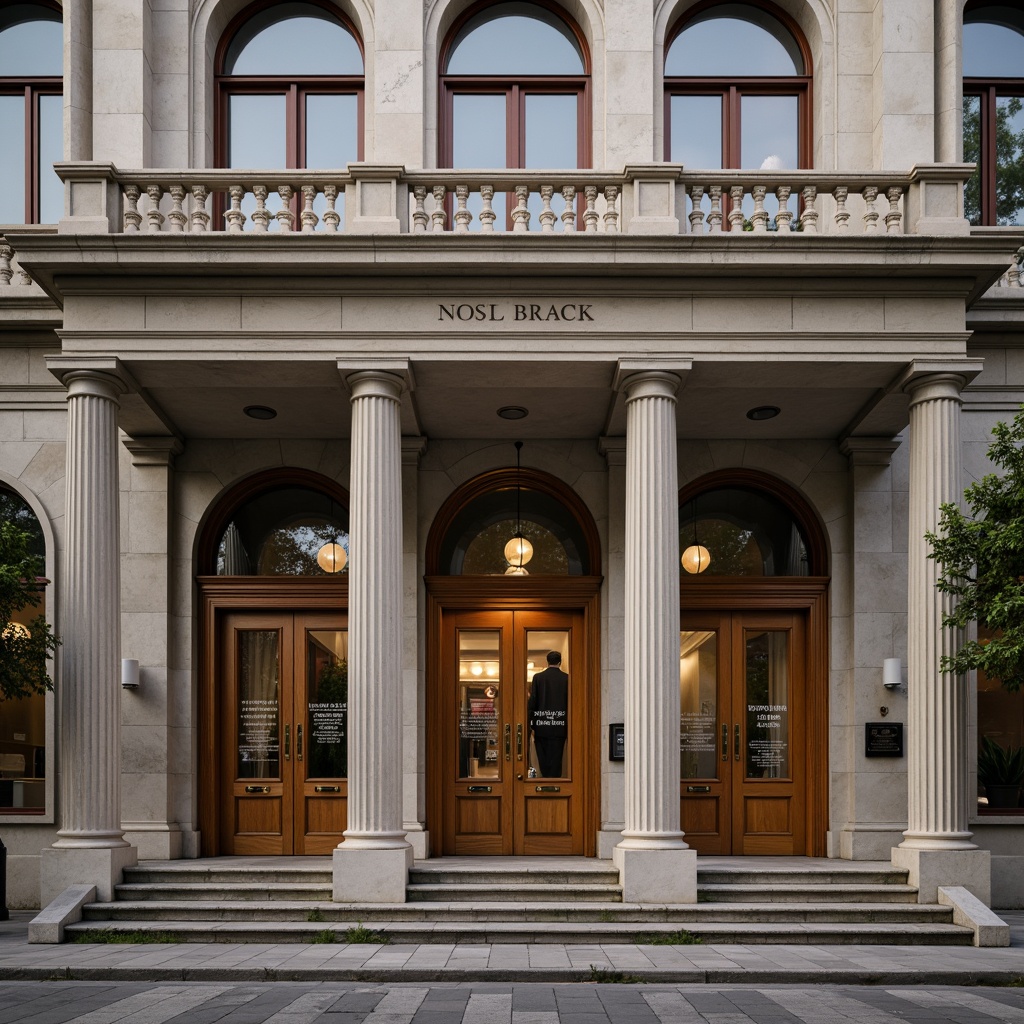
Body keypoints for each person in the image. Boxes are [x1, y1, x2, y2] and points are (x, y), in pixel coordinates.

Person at [528, 651, 568, 777]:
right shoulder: (567, 678)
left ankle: (545, 782)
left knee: (543, 759)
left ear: (547, 661)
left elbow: (533, 701)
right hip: (560, 725)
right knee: (556, 759)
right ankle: (555, 784)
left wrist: (532, 723)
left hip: (542, 726)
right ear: (560, 662)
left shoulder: (538, 677)